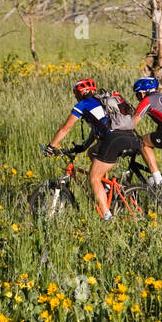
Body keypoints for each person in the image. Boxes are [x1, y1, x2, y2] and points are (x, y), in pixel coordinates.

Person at [43, 78, 141, 221]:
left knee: (93, 177)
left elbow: (65, 129)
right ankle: (107, 189)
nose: (75, 96)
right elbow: (98, 129)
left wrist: (50, 147)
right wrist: (83, 146)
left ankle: (107, 217)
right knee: (92, 152)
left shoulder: (83, 104)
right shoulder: (102, 103)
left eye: (75, 94)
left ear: (79, 93)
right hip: (131, 137)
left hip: (113, 140)